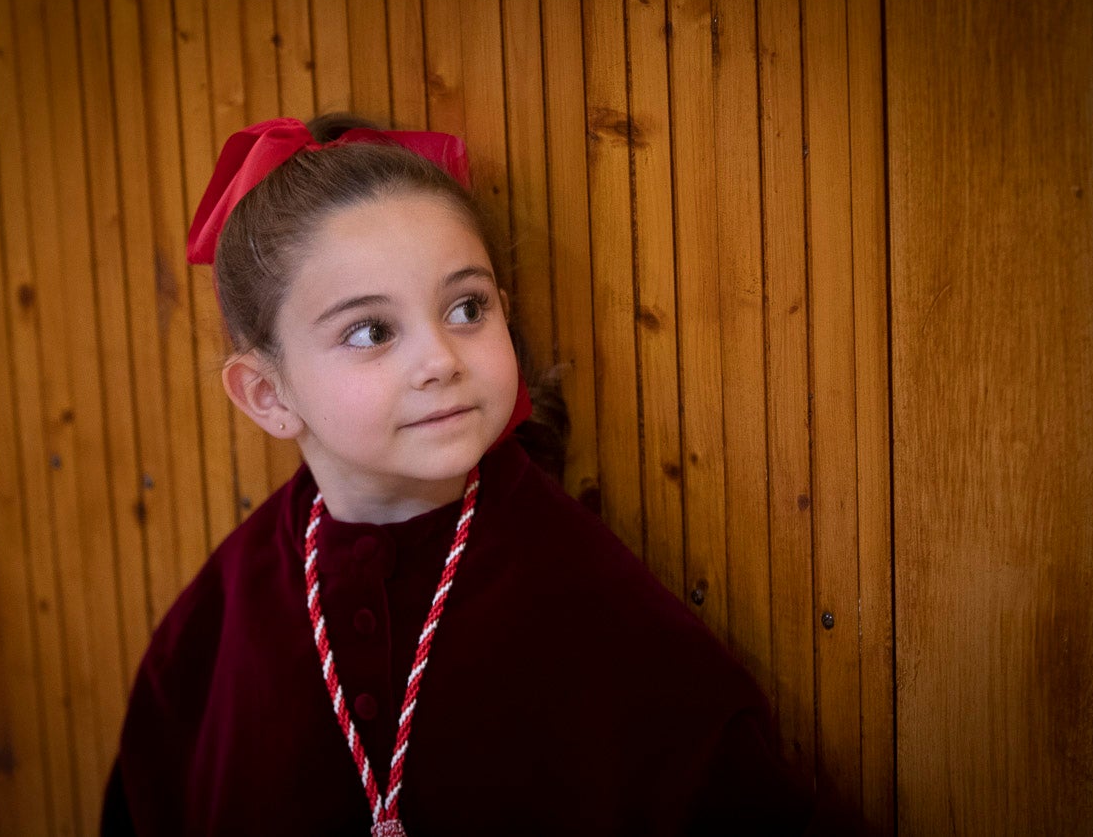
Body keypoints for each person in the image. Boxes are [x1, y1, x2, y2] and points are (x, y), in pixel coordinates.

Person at [101, 114, 819, 836]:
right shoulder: (217, 619)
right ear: (269, 394)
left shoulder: (592, 598)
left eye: (466, 308)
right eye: (372, 331)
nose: (441, 359)